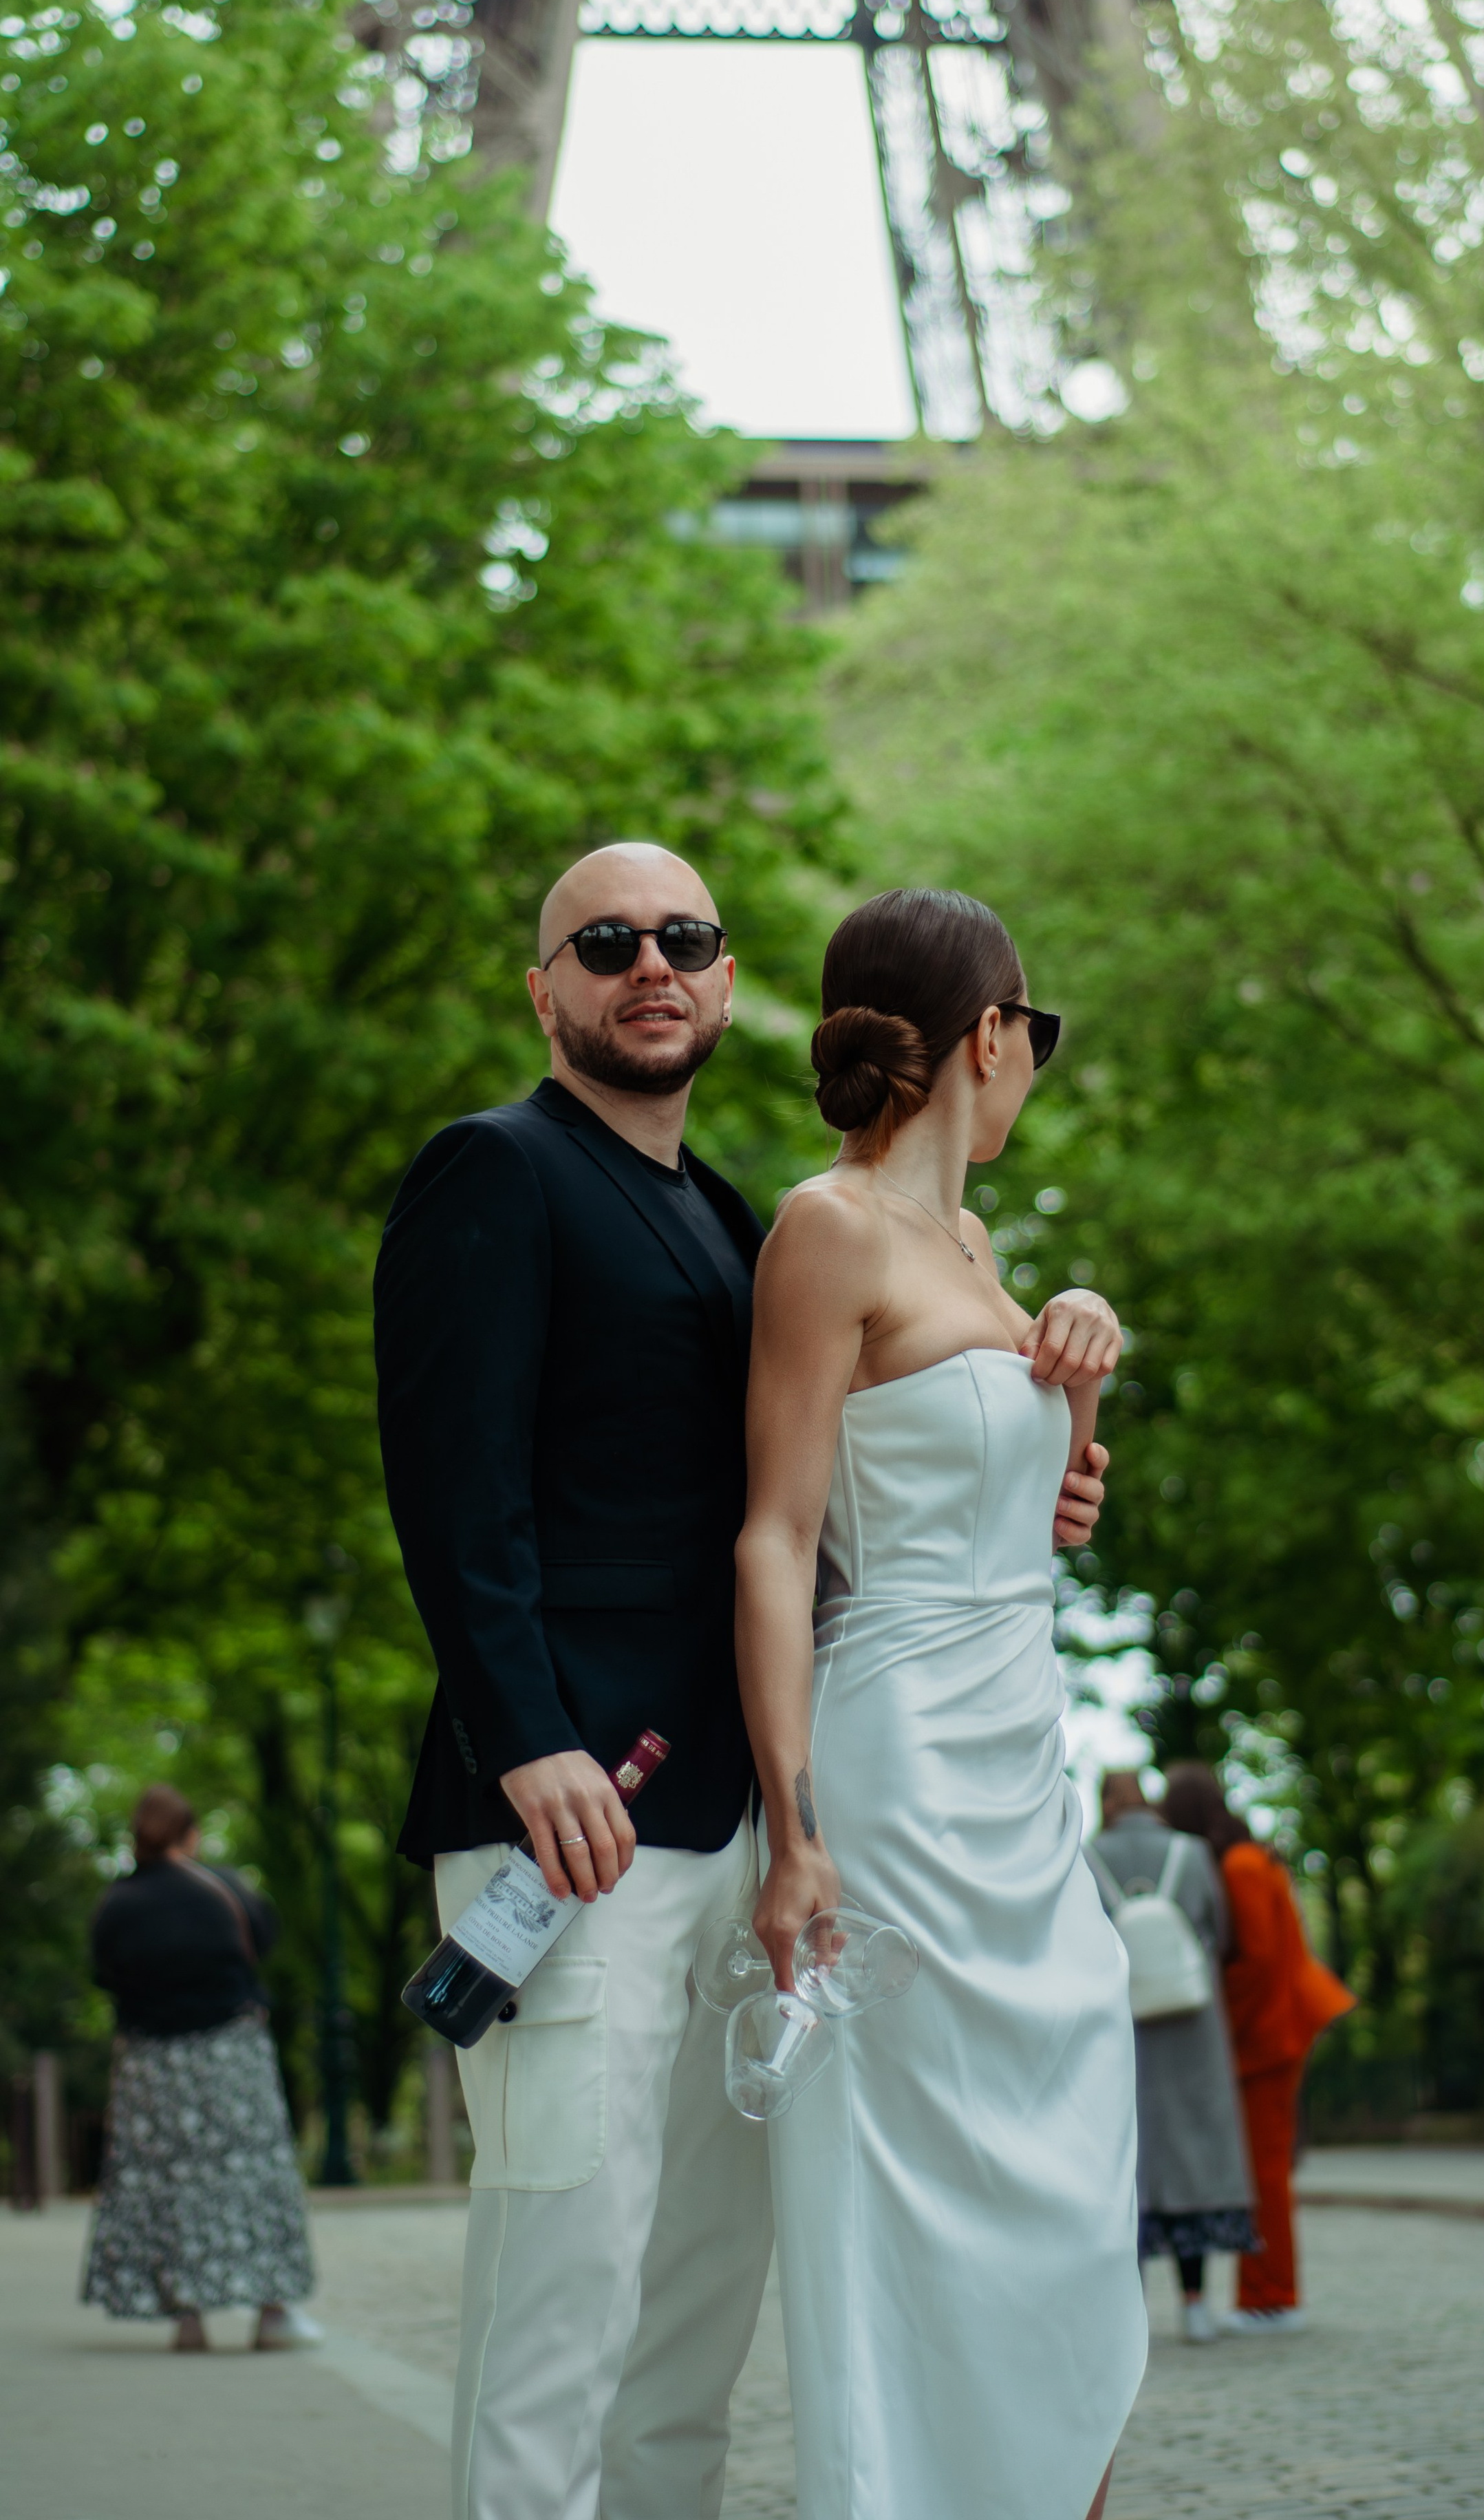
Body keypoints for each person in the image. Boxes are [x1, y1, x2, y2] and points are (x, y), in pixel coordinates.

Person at [374, 846, 1111, 2520]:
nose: (651, 962)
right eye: (607, 941)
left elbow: (814, 1502)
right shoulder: (488, 1172)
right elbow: (451, 1485)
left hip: (747, 1830)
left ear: (723, 982)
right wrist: (525, 1737)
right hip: (566, 1824)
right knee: (558, 2296)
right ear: (545, 987)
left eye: (685, 939)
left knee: (688, 2330)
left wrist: (1030, 1463)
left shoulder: (731, 1219)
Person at [736, 886, 1147, 2520]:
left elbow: (1026, 1505)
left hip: (1025, 1775)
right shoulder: (821, 1226)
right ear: (987, 1033)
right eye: (1032, 1031)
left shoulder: (974, 1245)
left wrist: (1083, 1383)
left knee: (1063, 2199)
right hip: (894, 1773)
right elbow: (775, 1534)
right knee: (914, 2210)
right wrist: (794, 1826)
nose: (1032, 1063)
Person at [82, 1784, 319, 2352]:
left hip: (151, 2060)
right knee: (253, 2173)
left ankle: (187, 2319)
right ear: (190, 1835)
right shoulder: (225, 1889)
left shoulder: (115, 1904)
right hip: (228, 2052)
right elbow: (262, 1940)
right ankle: (273, 2313)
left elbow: (104, 1974)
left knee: (166, 2179)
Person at [1160, 1763, 1353, 2333]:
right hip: (1276, 2029)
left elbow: (1255, 1964)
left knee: (1264, 2169)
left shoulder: (1240, 1866)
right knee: (1265, 2164)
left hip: (1268, 2035)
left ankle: (1271, 2296)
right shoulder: (1247, 1858)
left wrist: (1215, 2023)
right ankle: (1265, 2293)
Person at [1088, 1771, 1256, 2345]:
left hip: (1119, 2031)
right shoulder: (1193, 1854)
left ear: (1107, 1803)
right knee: (1193, 2157)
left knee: (1127, 2164)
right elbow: (1220, 1931)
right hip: (1192, 2029)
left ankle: (1130, 2312)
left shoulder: (1086, 1859)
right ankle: (1195, 2305)